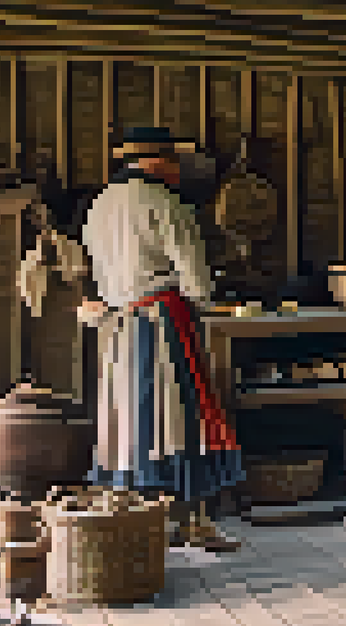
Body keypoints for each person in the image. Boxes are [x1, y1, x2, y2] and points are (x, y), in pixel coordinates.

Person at [78, 127, 244, 549]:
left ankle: (138, 519)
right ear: (155, 162)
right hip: (162, 322)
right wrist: (207, 298)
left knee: (129, 423)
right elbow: (195, 279)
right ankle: (186, 521)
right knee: (178, 420)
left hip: (118, 327)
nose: (177, 170)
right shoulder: (166, 204)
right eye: (173, 162)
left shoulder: (99, 205)